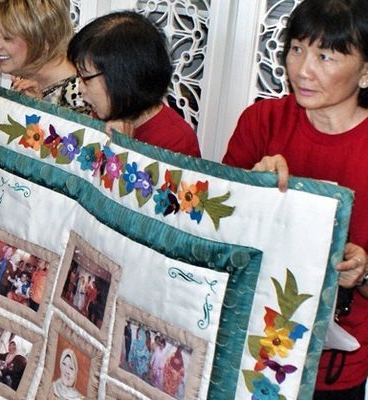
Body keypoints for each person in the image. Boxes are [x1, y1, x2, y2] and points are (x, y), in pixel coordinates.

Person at [222, 0, 368, 398]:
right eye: (297, 49)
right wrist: (250, 193)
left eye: (326, 56)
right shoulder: (261, 122)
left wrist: (363, 273)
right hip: (245, 344)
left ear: (366, 70)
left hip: (332, 365)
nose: (303, 70)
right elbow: (215, 234)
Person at [67, 11, 201, 157]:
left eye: (86, 78)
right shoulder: (106, 113)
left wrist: (123, 150)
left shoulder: (175, 142)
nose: (80, 88)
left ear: (121, 79)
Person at [0, 0, 90, 114]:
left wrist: (40, 112)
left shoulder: (82, 96)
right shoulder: (25, 70)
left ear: (45, 41)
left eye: (8, 38)